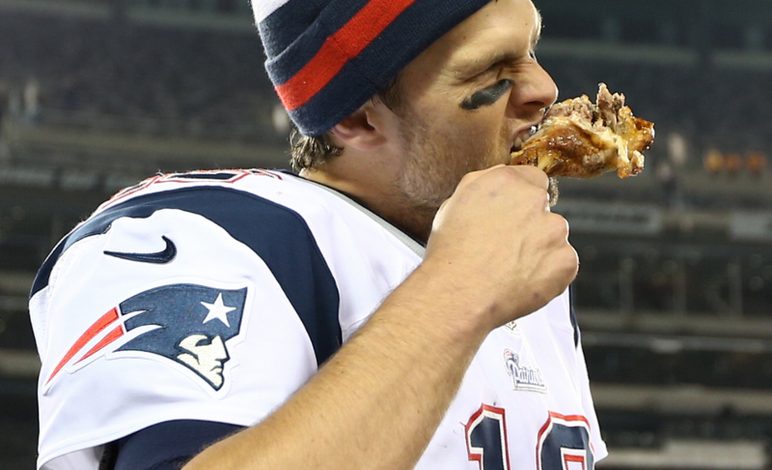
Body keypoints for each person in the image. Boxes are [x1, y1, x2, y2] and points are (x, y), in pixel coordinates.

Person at [30, 0, 607, 468]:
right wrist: (460, 289)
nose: (546, 89)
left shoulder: (522, 273)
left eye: (530, 50)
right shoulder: (207, 234)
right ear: (356, 117)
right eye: (492, 69)